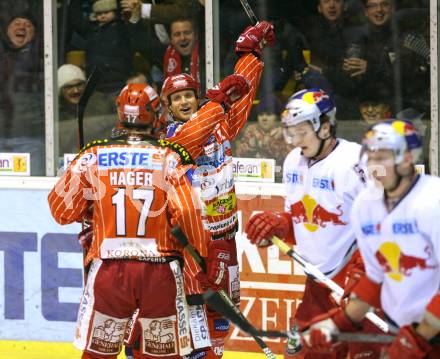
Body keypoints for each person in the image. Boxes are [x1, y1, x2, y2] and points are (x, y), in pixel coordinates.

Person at [48, 83, 211, 358]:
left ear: (119, 114)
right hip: (160, 273)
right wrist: (198, 259)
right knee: (159, 354)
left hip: (110, 272)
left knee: (99, 354)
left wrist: (91, 211)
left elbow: (60, 209)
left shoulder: (93, 155)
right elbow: (188, 213)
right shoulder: (169, 157)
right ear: (156, 113)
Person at [161, 21, 275, 357]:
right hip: (195, 241)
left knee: (224, 310)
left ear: (196, 99)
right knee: (197, 308)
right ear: (168, 106)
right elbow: (198, 130)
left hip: (225, 234)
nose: (183, 102)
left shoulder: (219, 125)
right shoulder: (172, 140)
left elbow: (241, 95)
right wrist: (217, 104)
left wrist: (250, 54)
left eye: (188, 96)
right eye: (176, 97)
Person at [245, 88, 382, 359]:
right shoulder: (293, 161)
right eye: (291, 131)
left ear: (326, 126)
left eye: (302, 131)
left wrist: (364, 271)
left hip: (362, 285)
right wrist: (279, 224)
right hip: (318, 286)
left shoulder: (359, 161)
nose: (296, 140)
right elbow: (300, 221)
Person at [301, 119, 440, 358]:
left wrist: (420, 335)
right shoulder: (365, 207)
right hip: (405, 331)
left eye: (383, 157)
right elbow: (376, 277)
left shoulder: (433, 201)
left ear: (407, 159)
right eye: (370, 156)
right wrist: (338, 323)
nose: (374, 165)